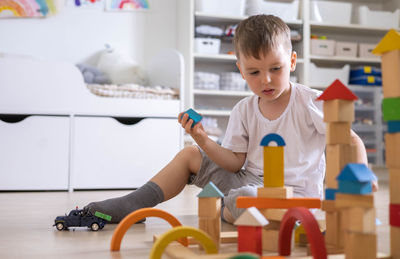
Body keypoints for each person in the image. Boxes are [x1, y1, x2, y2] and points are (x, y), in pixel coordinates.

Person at [84, 14, 374, 224]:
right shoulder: (244, 109)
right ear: (240, 69)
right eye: (254, 72)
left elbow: (350, 138)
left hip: (293, 197)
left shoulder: (310, 101)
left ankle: (226, 210)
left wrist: (363, 175)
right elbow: (235, 162)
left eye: (276, 68)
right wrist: (202, 140)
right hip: (247, 183)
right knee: (190, 155)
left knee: (245, 197)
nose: (267, 80)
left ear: (293, 62)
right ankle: (134, 205)